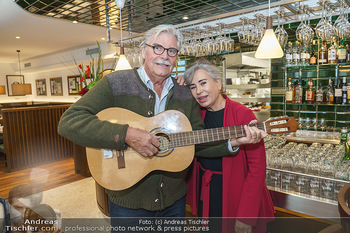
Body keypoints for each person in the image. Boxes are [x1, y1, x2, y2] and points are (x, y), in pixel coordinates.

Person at [58, 25, 239, 232]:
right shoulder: (115, 83)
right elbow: (69, 121)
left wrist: (231, 142)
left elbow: (194, 141)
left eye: (172, 51)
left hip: (174, 202)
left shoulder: (184, 92)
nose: (164, 56)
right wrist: (126, 135)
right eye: (158, 48)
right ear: (144, 51)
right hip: (128, 202)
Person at [183, 59, 275, 233]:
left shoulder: (243, 114)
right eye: (193, 87)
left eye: (203, 83)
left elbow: (257, 169)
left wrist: (246, 216)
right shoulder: (197, 115)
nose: (198, 91)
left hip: (235, 193)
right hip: (207, 190)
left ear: (218, 83)